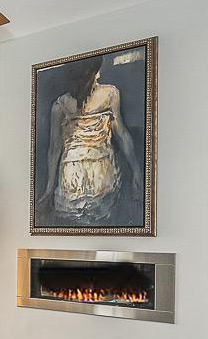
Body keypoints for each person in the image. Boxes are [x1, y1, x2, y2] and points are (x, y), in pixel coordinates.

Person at [42, 58, 142, 224]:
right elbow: (122, 134)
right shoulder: (108, 94)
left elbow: (54, 148)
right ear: (90, 74)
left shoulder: (61, 104)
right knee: (93, 224)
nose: (99, 74)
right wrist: (49, 187)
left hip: (83, 171)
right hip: (89, 171)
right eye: (96, 71)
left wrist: (49, 187)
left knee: (86, 225)